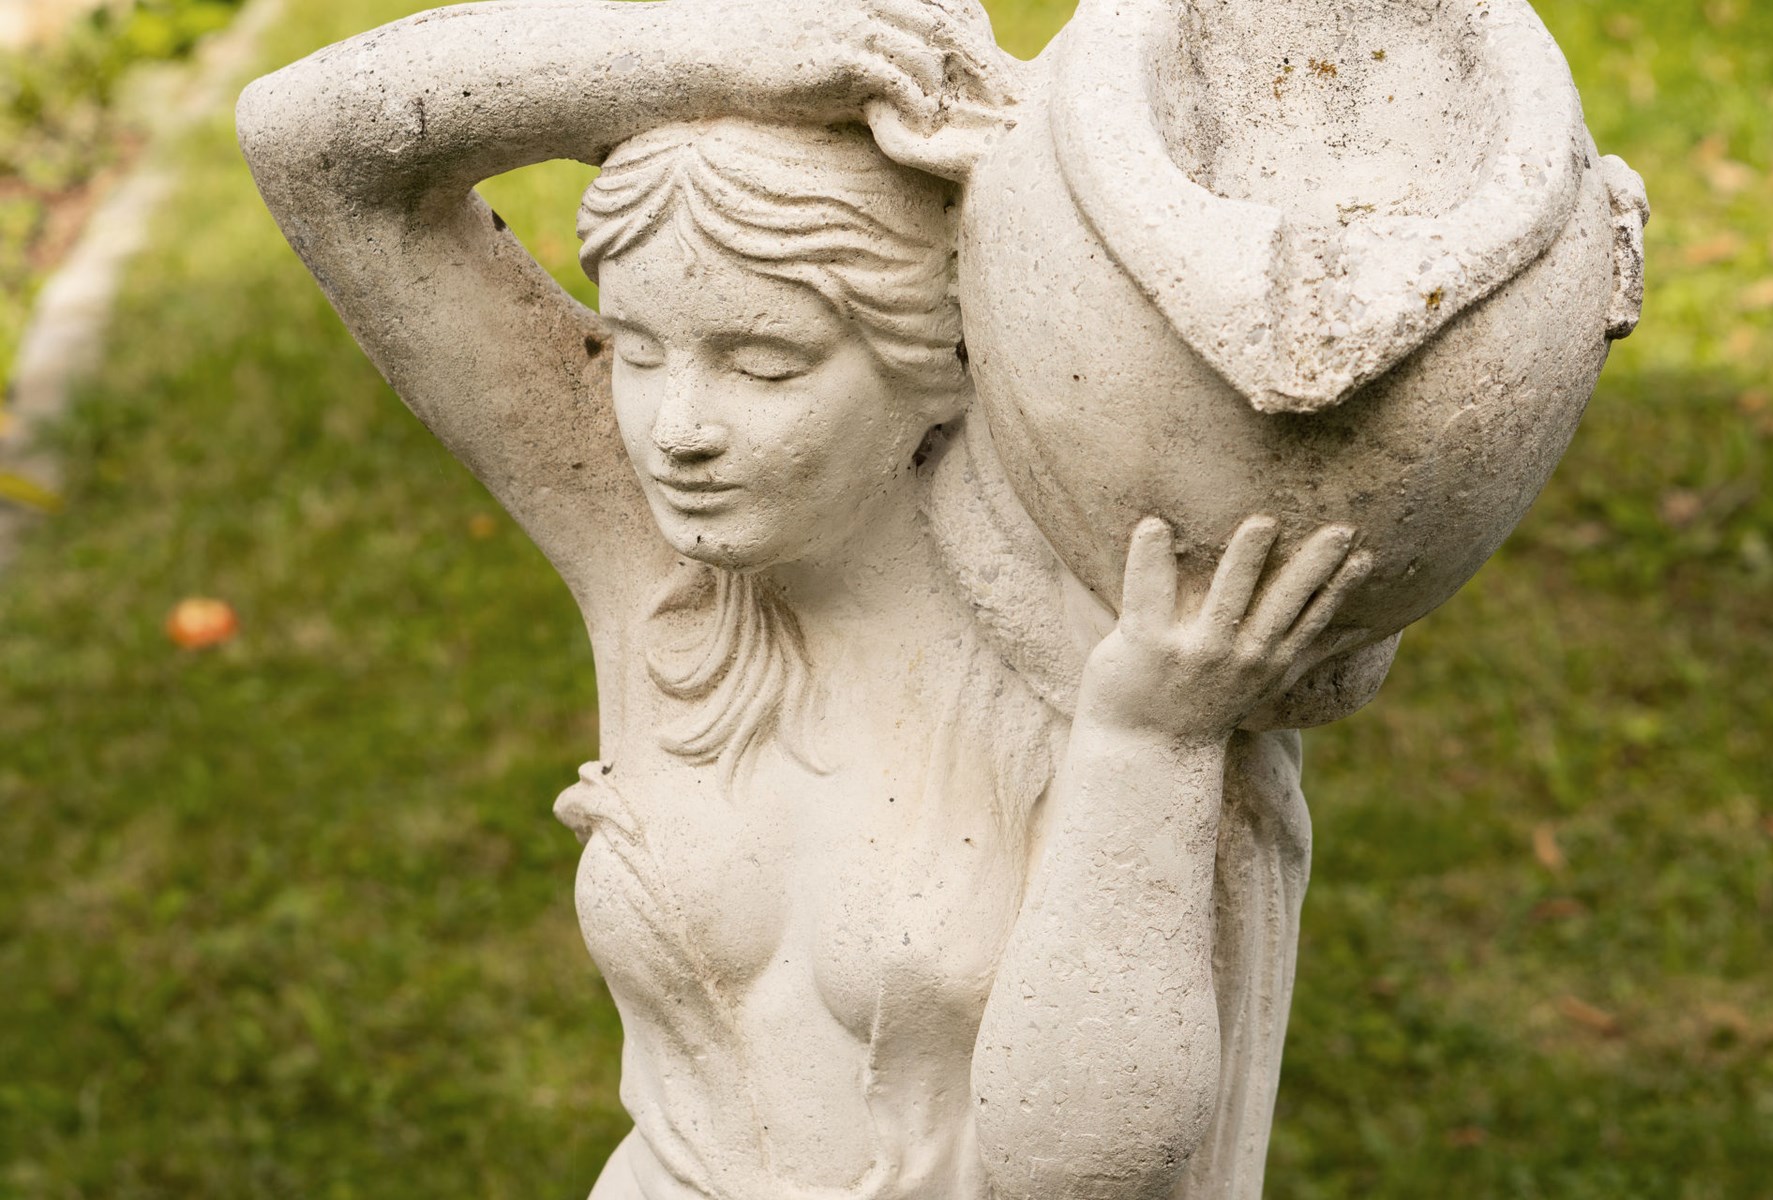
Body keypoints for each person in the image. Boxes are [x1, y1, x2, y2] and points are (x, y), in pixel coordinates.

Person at [236, 2, 1370, 1196]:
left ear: (944, 358)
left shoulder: (1118, 640)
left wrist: (1150, 746)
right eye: (636, 350)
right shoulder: (660, 572)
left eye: (765, 363)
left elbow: (1089, 1170)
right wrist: (713, 60)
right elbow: (314, 148)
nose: (677, 430)